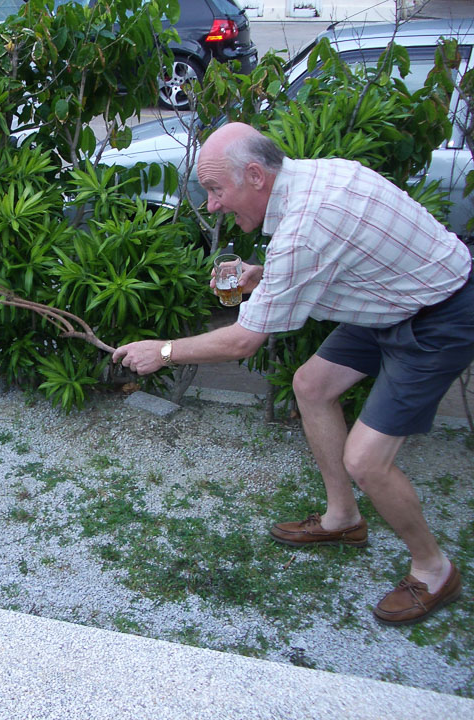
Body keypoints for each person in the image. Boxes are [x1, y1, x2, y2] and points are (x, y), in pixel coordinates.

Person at [112, 122, 474, 626]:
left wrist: (165, 351)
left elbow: (243, 341)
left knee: (367, 460)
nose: (212, 205)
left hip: (440, 313)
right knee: (311, 385)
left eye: (216, 189)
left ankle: (434, 570)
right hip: (390, 299)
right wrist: (266, 275)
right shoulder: (312, 181)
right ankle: (343, 518)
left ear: (256, 176)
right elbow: (340, 256)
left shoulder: (306, 225)